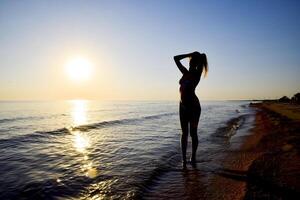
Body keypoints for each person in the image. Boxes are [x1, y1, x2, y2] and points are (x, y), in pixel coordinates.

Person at [173, 51, 208, 167]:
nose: (190, 64)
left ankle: (193, 156)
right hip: (182, 106)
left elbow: (201, 63)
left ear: (197, 63)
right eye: (190, 62)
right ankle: (183, 160)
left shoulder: (197, 74)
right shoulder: (185, 72)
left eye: (193, 62)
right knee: (184, 133)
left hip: (193, 107)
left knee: (193, 134)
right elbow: (175, 58)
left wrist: (198, 58)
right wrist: (190, 54)